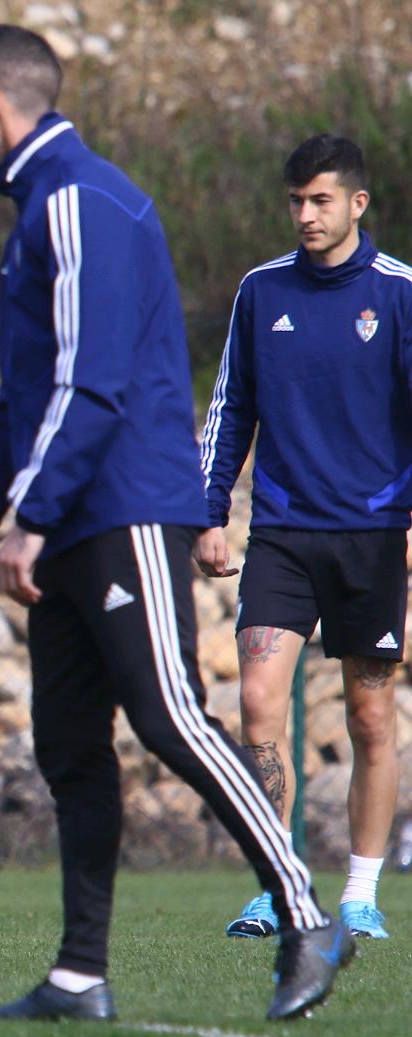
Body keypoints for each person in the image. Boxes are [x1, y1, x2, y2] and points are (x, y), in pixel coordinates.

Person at [0, 25, 350, 1022]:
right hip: (66, 523)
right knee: (67, 743)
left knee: (169, 715)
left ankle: (307, 914)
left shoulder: (77, 202)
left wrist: (31, 517)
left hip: (120, 511)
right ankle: (76, 977)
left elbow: (88, 385)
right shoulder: (40, 212)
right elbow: (21, 408)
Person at [199, 134, 412, 942]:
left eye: (321, 200)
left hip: (372, 535)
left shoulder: (398, 294)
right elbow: (230, 406)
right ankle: (277, 883)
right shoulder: (262, 291)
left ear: (358, 203)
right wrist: (210, 511)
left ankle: (359, 893)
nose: (306, 215)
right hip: (282, 533)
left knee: (368, 715)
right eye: (296, 201)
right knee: (257, 701)